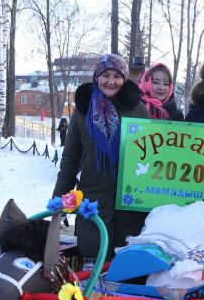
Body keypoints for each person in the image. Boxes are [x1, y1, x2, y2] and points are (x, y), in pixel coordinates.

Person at [52, 54, 150, 259]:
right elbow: (70, 158)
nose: (111, 81)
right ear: (97, 77)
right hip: (93, 195)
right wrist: (58, 198)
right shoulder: (82, 111)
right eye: (106, 75)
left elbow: (150, 152)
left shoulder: (137, 109)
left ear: (124, 79)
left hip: (129, 197)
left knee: (125, 258)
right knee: (93, 254)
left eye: (117, 76)